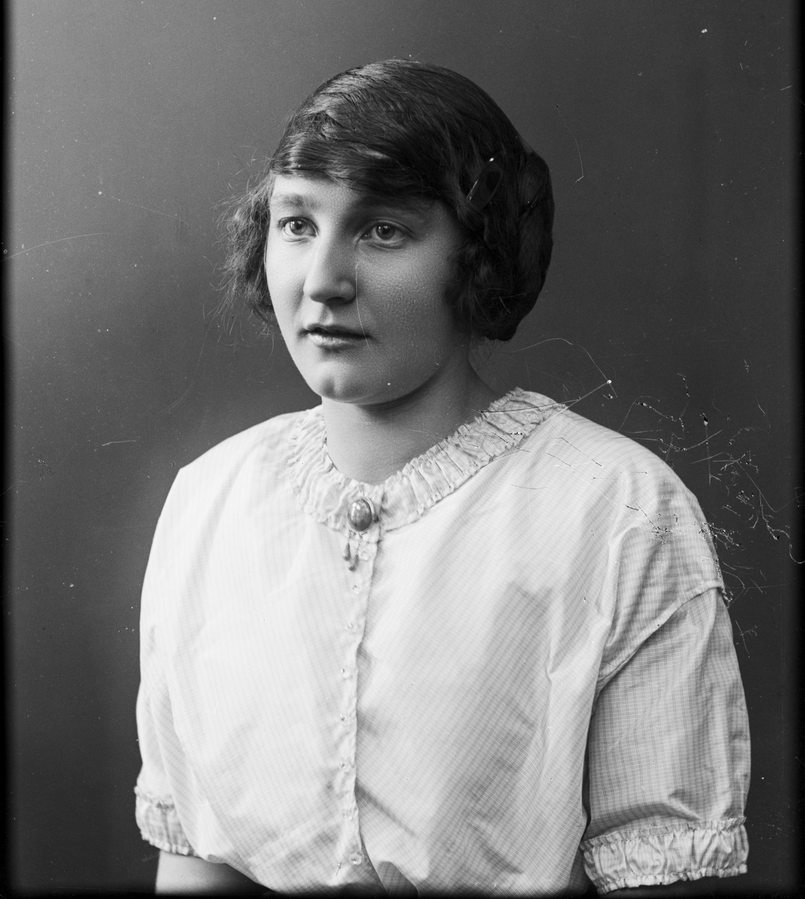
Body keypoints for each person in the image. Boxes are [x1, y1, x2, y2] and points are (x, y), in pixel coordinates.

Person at [135, 60, 750, 895]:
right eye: (297, 223)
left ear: (479, 255)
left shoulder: (618, 512)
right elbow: (196, 861)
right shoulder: (211, 499)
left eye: (383, 231)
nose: (322, 282)